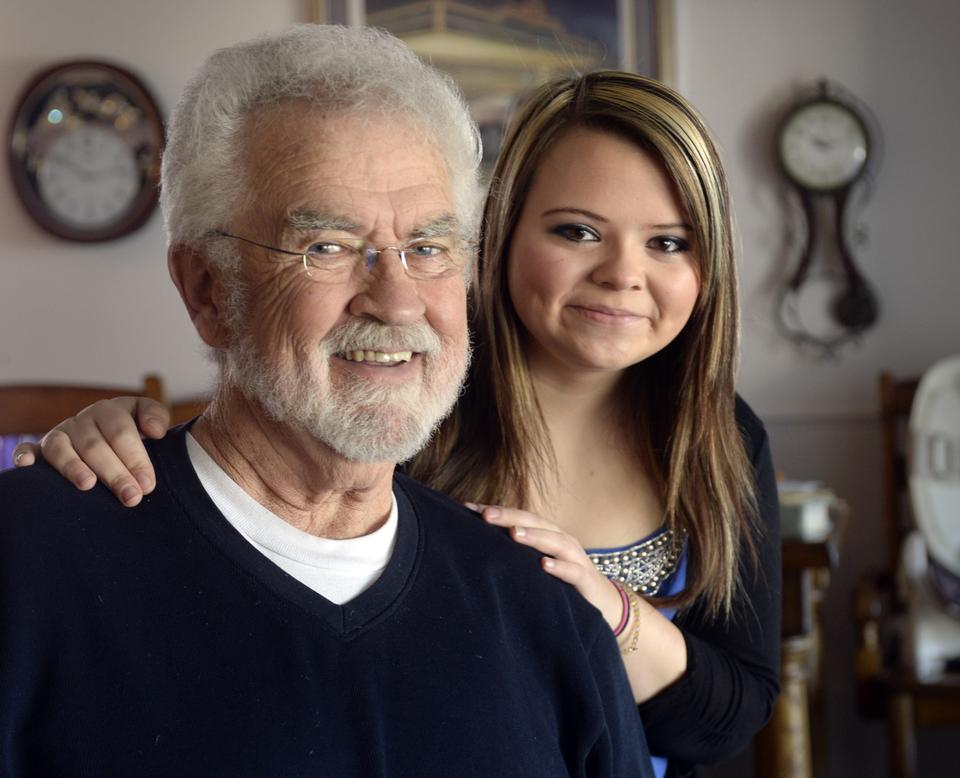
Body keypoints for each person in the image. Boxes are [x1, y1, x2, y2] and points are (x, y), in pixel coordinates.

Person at [19, 66, 783, 777]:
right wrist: (111, 433)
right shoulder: (399, 401)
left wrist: (603, 614)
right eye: (576, 231)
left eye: (669, 243)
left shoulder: (718, 437)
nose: (623, 272)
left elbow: (732, 714)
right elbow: (264, 433)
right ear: (497, 238)